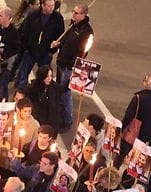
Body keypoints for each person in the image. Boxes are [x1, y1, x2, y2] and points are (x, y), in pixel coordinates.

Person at [51, 3, 92, 131]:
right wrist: (58, 44)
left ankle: (67, 120)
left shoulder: (87, 32)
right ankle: (60, 115)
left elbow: (84, 52)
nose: (73, 14)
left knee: (65, 93)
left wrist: (76, 68)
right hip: (61, 63)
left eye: (76, 13)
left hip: (70, 67)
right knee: (59, 90)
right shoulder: (73, 25)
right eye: (73, 12)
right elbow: (65, 40)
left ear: (84, 15)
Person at [13, 0, 63, 91]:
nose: (51, 8)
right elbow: (25, 32)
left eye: (52, 5)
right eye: (49, 6)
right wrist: (26, 48)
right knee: (23, 75)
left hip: (46, 53)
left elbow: (60, 35)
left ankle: (42, 94)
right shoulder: (33, 15)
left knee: (44, 76)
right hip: (30, 51)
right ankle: (20, 93)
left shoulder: (58, 18)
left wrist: (53, 49)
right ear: (42, 5)